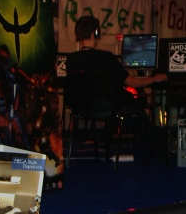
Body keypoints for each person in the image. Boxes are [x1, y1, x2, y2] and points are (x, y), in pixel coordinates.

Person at [65, 16, 167, 158]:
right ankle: (161, 150)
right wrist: (154, 78)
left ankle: (106, 139)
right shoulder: (106, 58)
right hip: (109, 107)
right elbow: (132, 82)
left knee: (116, 101)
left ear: (77, 35)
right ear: (96, 33)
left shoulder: (71, 60)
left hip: (82, 107)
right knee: (133, 106)